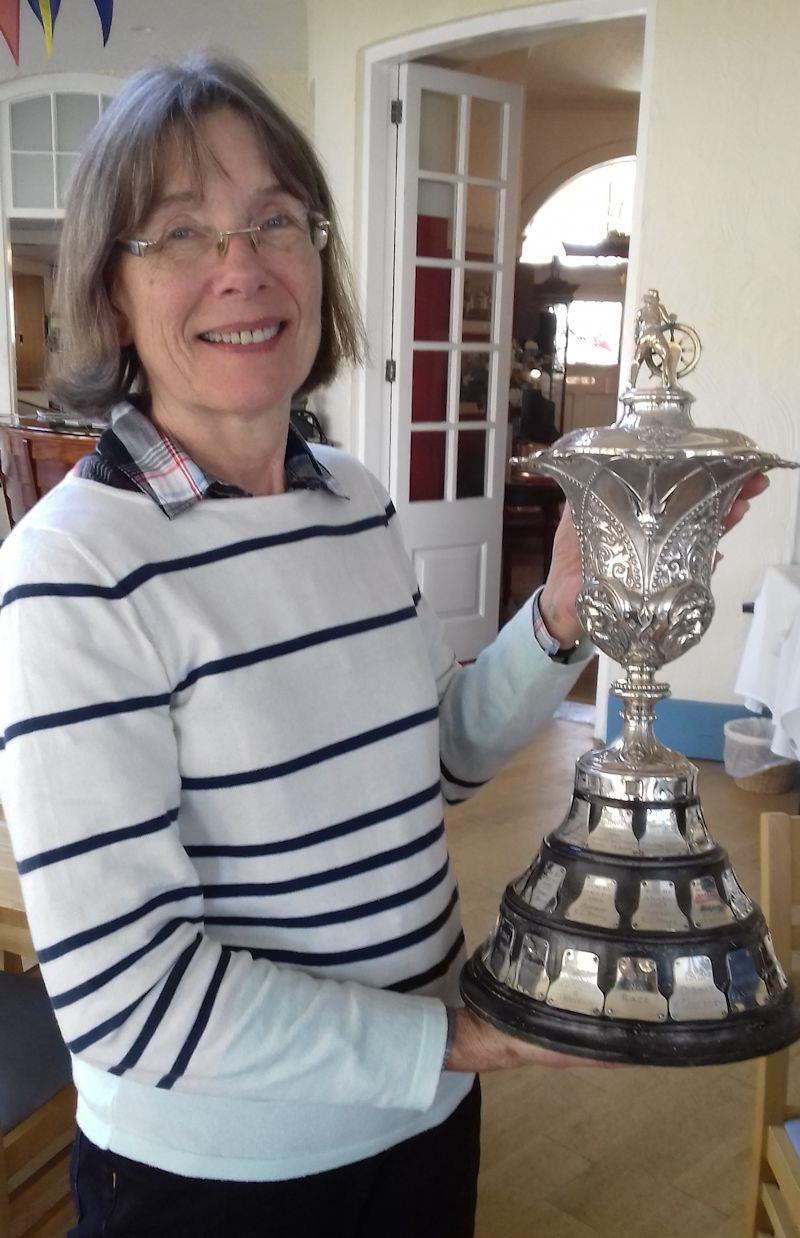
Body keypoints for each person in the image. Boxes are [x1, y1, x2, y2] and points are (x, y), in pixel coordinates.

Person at [0, 56, 764, 1238]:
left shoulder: (348, 498)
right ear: (109, 293)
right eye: (182, 234)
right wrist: (457, 1035)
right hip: (220, 1182)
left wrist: (560, 612)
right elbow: (127, 999)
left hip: (420, 1123)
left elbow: (431, 758)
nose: (241, 266)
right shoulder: (72, 566)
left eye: (272, 221)